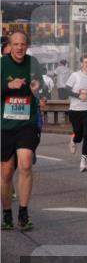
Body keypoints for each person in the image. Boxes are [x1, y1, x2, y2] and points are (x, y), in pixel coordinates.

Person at [1, 31, 46, 231]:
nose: (19, 48)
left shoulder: (32, 63)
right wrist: (7, 86)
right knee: (6, 171)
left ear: (27, 46)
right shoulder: (2, 64)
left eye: (23, 44)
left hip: (27, 123)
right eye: (16, 44)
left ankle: (23, 213)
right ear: (10, 46)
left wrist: (38, 88)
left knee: (26, 164)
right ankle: (7, 214)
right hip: (4, 126)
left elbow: (41, 87)